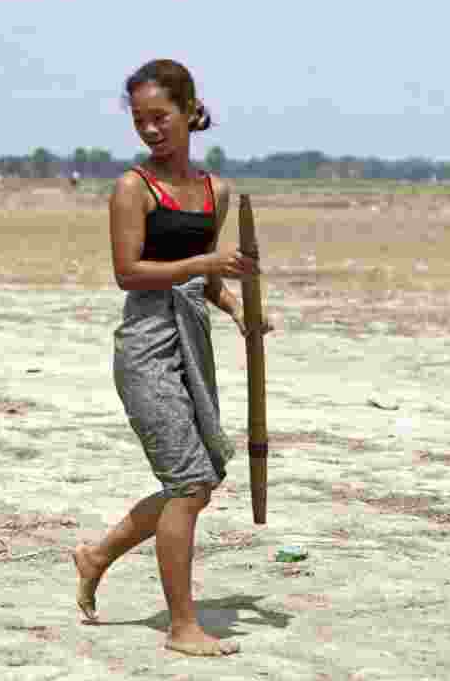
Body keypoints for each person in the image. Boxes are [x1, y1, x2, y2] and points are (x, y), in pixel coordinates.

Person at [72, 59, 266, 657]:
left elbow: (205, 279)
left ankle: (98, 554)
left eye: (160, 117)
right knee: (186, 484)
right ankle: (182, 628)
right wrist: (205, 266)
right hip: (146, 347)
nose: (150, 130)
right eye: (139, 120)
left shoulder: (217, 192)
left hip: (193, 340)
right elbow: (129, 273)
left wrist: (236, 306)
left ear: (188, 111)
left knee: (199, 485)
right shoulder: (133, 188)